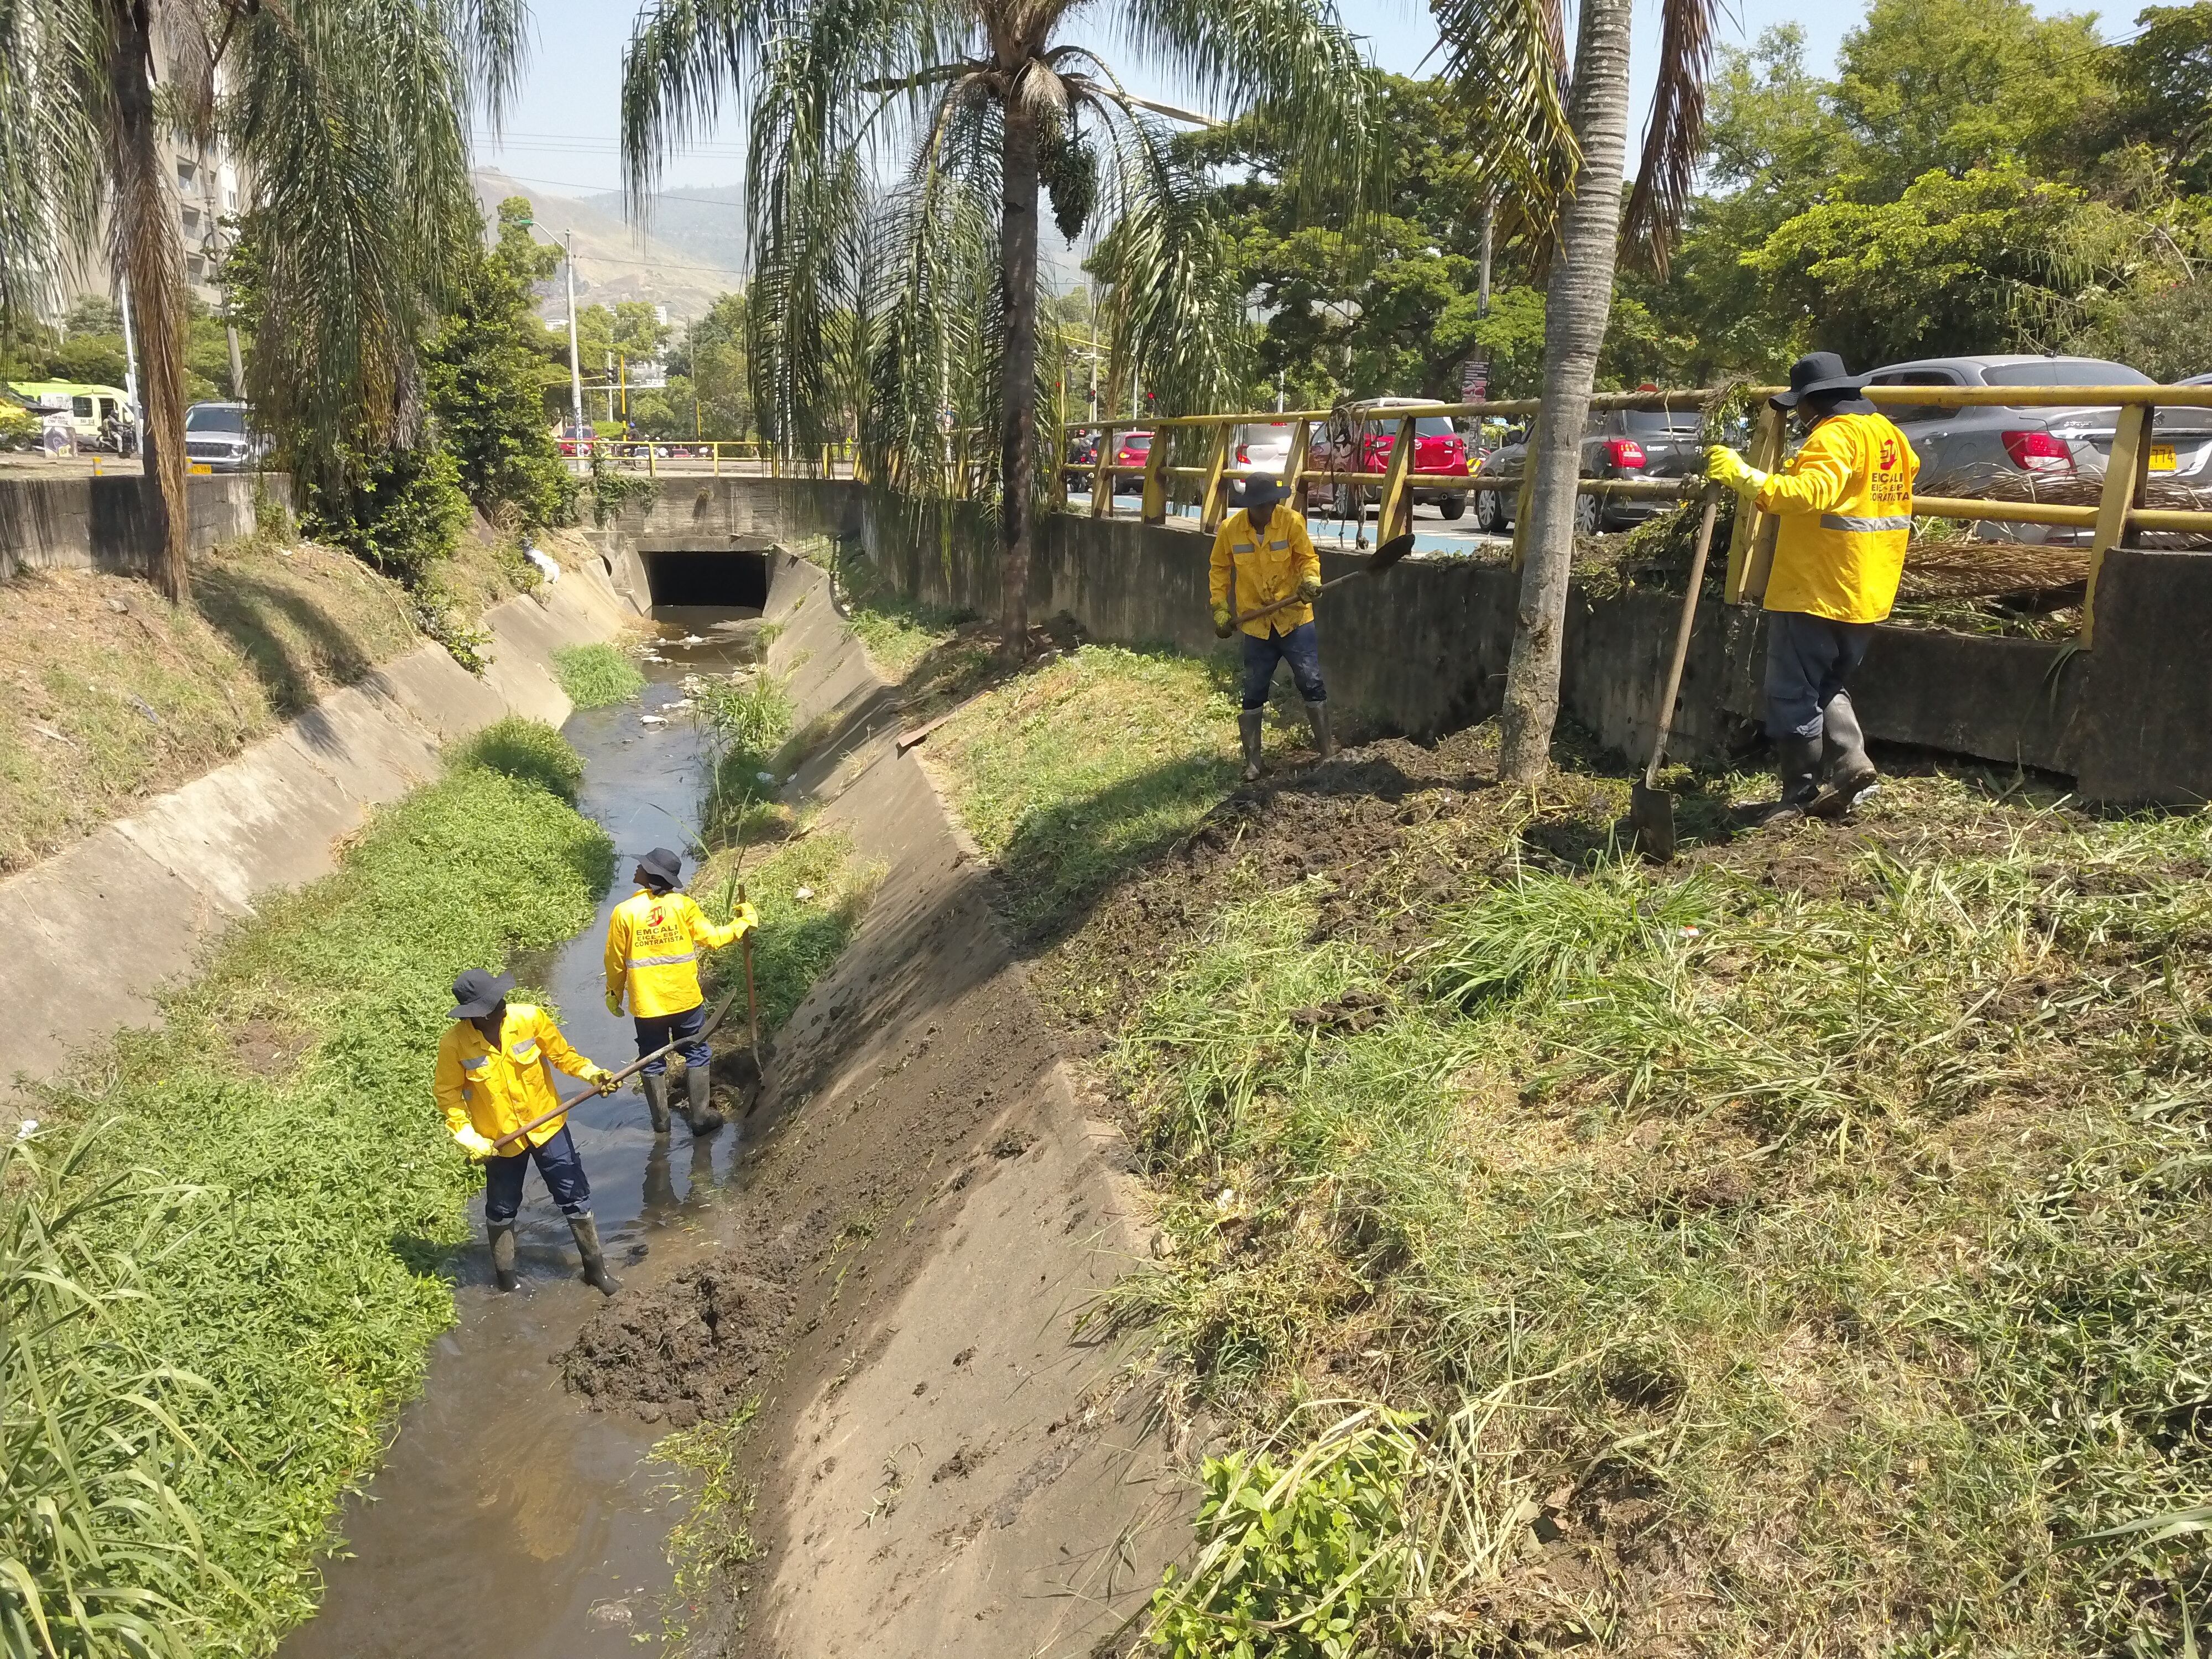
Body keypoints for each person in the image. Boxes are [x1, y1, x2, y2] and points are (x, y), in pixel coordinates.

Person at [1705, 351, 1919, 825]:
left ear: (1812, 403)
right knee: (1827, 683)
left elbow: (1809, 494)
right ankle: (1851, 765)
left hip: (1817, 586)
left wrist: (1743, 476)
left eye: (1798, 407)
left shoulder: (1834, 436)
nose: (1798, 417)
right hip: (1869, 587)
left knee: (1792, 692)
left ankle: (1798, 794)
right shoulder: (1890, 436)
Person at [434, 967, 623, 1295]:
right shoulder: (455, 1045)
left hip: (548, 1125)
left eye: (500, 997)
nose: (501, 1006)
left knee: (574, 1195)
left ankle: (596, 1270)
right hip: (500, 1141)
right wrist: (468, 1137)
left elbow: (563, 1057)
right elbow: (448, 1095)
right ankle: (506, 1278)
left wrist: (593, 1074)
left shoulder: (530, 1018)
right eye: (491, 1005)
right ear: (474, 1014)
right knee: (502, 1208)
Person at [604, 847, 758, 1138]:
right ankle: (700, 1118)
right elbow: (712, 938)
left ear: (650, 875)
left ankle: (661, 1126)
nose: (637, 869)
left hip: (648, 1006)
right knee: (697, 1051)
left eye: (642, 866)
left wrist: (614, 993)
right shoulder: (683, 906)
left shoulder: (624, 912)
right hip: (685, 999)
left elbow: (615, 961)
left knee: (651, 1059)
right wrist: (743, 922)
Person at [1208, 477, 1335, 781]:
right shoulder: (1231, 530)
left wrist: (1310, 581)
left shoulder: (1291, 522)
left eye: (1273, 503)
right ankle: (1253, 763)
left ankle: (1328, 753)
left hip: (1294, 618)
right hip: (1256, 624)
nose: (1271, 509)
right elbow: (1219, 569)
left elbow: (1308, 559)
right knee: (1254, 690)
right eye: (1265, 504)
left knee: (1311, 681)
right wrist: (1220, 608)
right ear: (1252, 505)